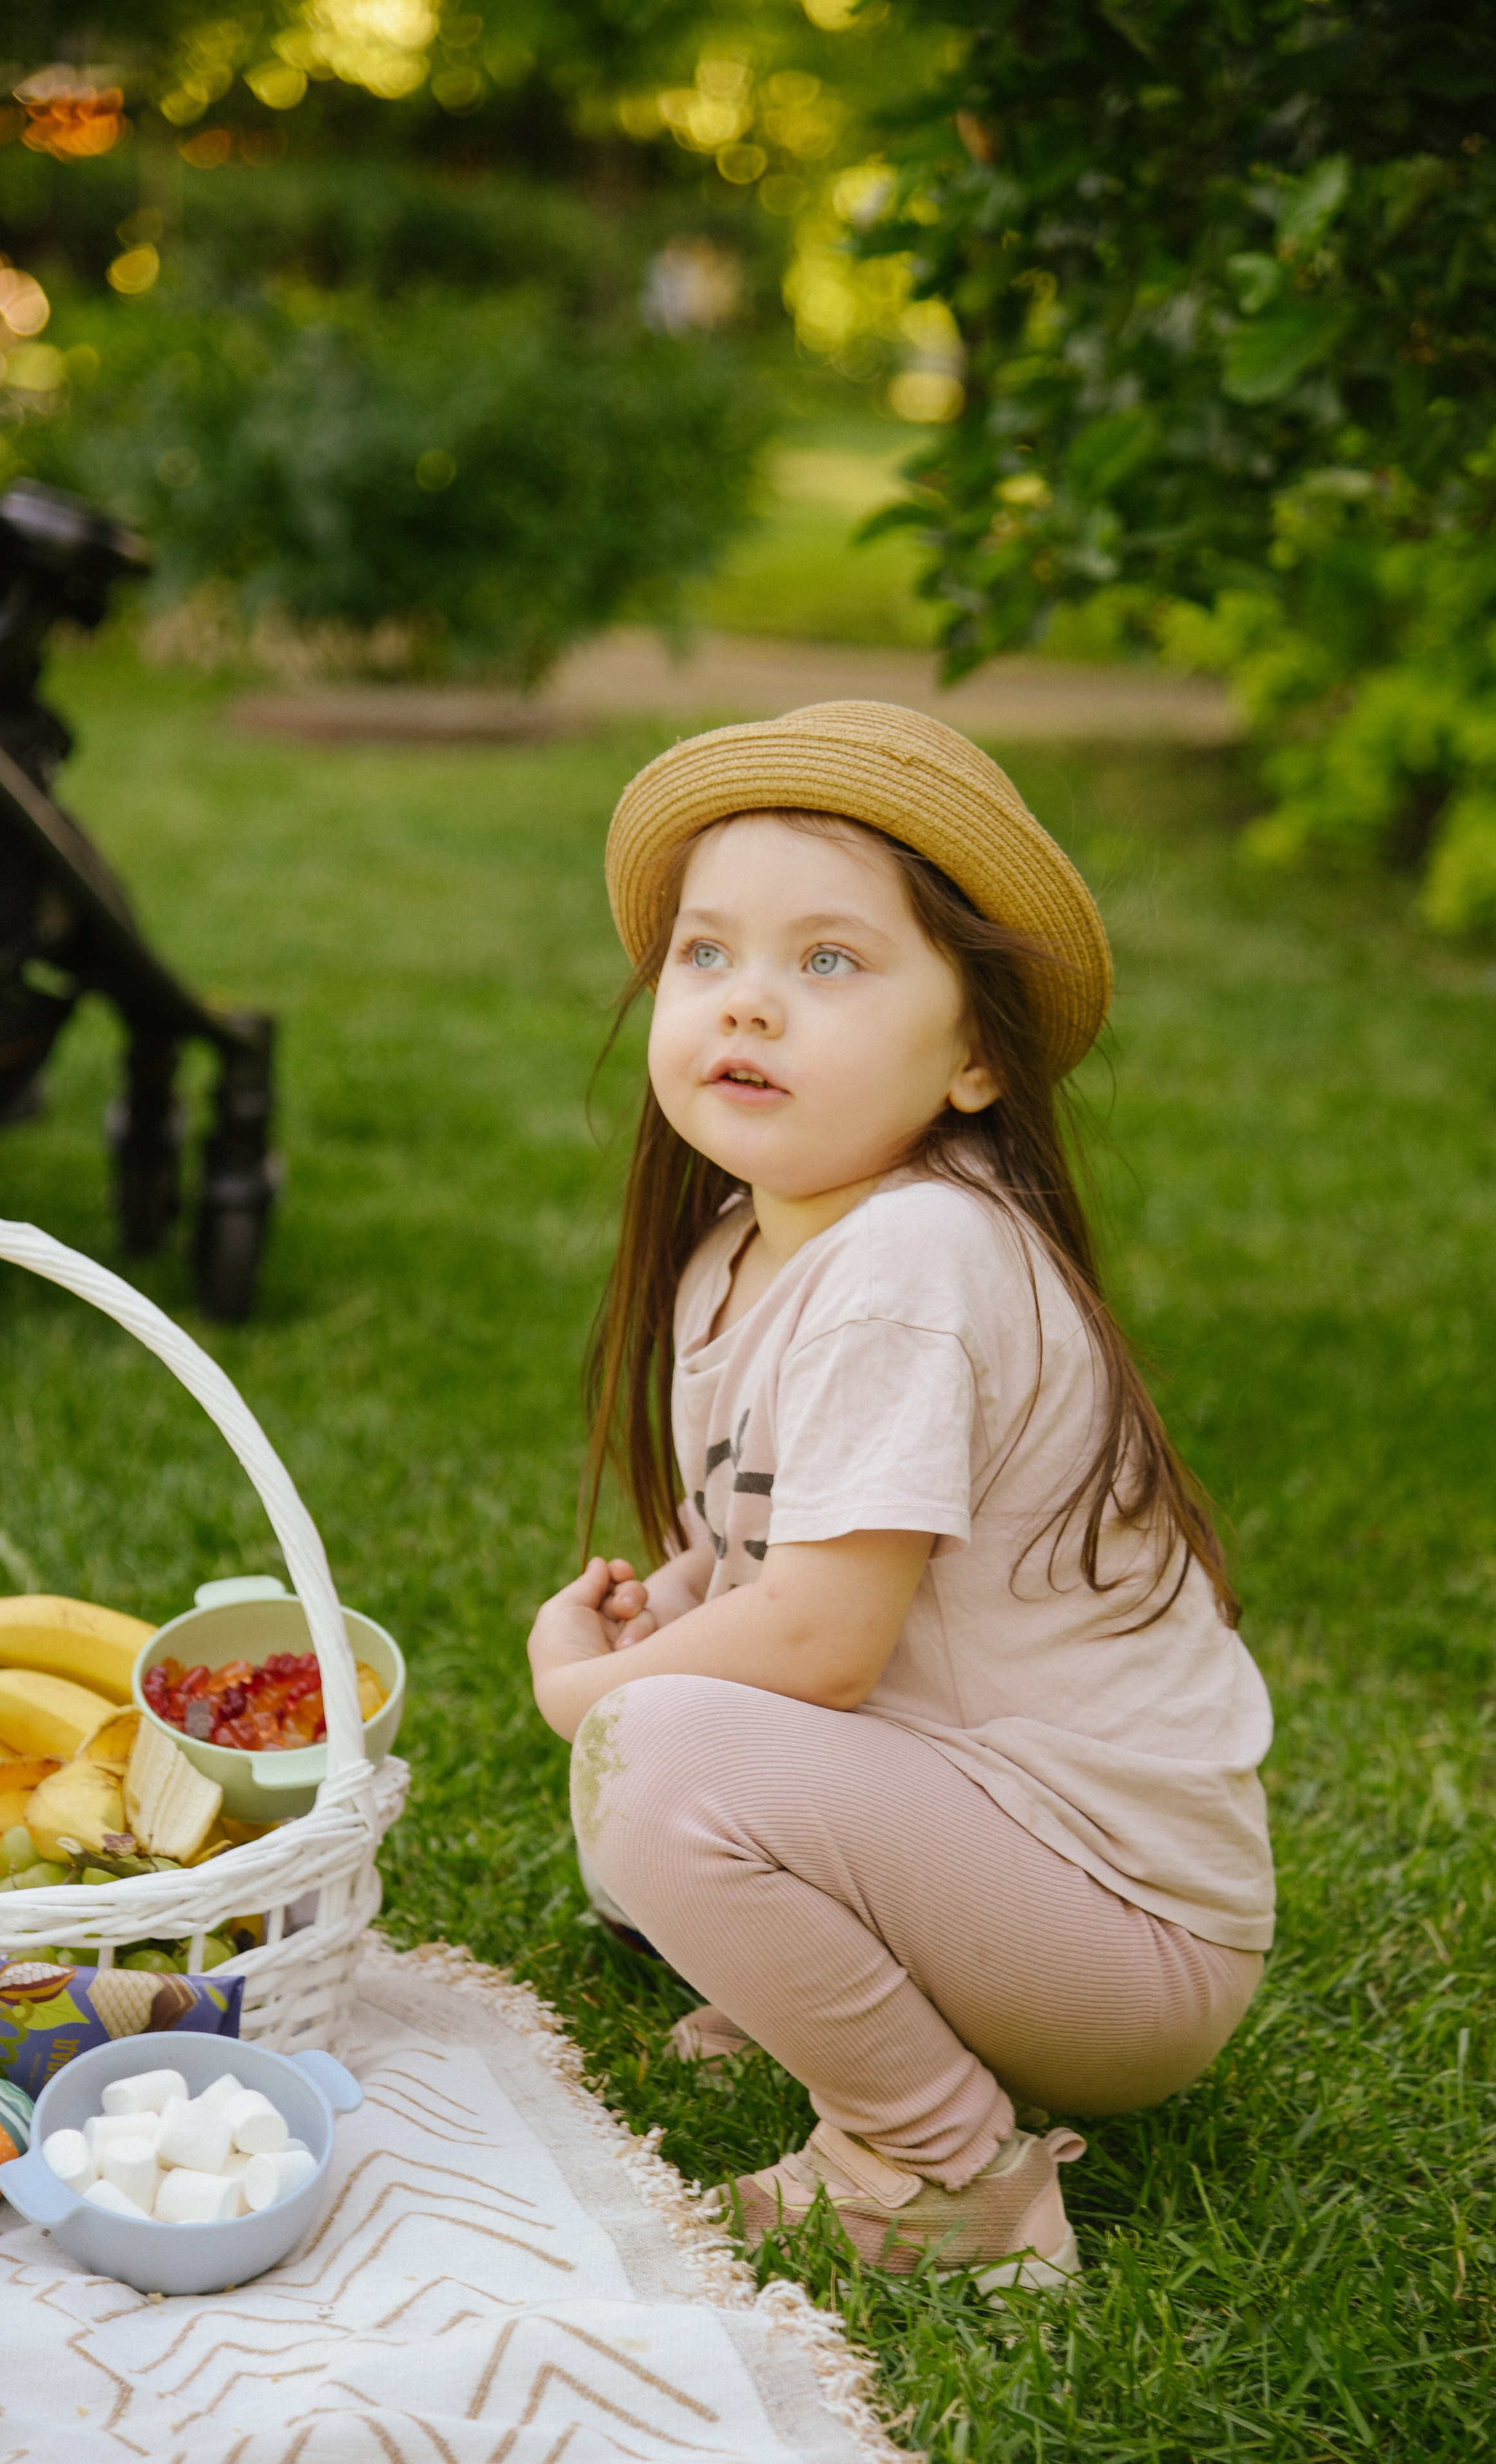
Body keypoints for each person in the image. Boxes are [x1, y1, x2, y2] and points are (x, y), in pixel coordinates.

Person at [525, 701, 1274, 2287]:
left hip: (1123, 1930)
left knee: (645, 1759)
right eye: (706, 955)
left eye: (828, 963)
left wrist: (587, 1685)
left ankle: (942, 2173)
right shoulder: (744, 1241)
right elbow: (779, 1547)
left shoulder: (914, 1260)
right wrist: (673, 1600)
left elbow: (819, 1648)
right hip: (998, 1856)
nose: (748, 1004)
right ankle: (862, 2003)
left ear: (975, 1056)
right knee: (636, 1804)